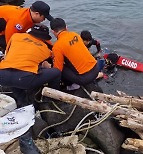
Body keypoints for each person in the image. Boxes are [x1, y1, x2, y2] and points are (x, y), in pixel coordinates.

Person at [0, 24, 61, 154]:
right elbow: (47, 65)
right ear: (44, 38)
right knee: (56, 72)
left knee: (15, 76)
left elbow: (7, 53)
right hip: (24, 79)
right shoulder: (45, 49)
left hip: (2, 74)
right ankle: (51, 97)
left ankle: (22, 101)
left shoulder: (16, 36)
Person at [50, 18, 99, 90]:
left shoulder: (57, 46)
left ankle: (72, 86)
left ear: (53, 31)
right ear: (66, 27)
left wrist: (49, 65)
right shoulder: (75, 35)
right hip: (96, 68)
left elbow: (57, 70)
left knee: (59, 68)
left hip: (85, 78)